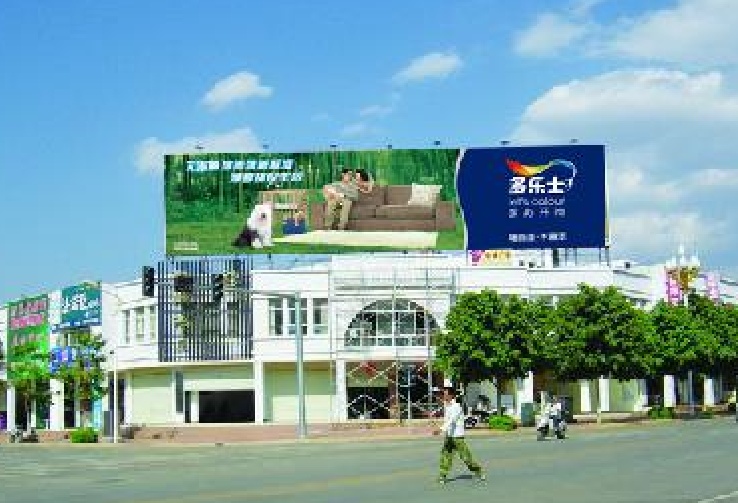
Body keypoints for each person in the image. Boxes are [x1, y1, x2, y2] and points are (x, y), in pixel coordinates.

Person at [433, 386, 485, 485]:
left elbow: (451, 420)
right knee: (445, 455)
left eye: (445, 394)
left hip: (457, 436)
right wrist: (434, 414)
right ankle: (442, 475)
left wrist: (441, 429)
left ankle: (478, 471)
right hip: (449, 436)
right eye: (443, 393)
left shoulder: (456, 406)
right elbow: (446, 419)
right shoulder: (447, 405)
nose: (443, 395)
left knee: (466, 457)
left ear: (451, 395)